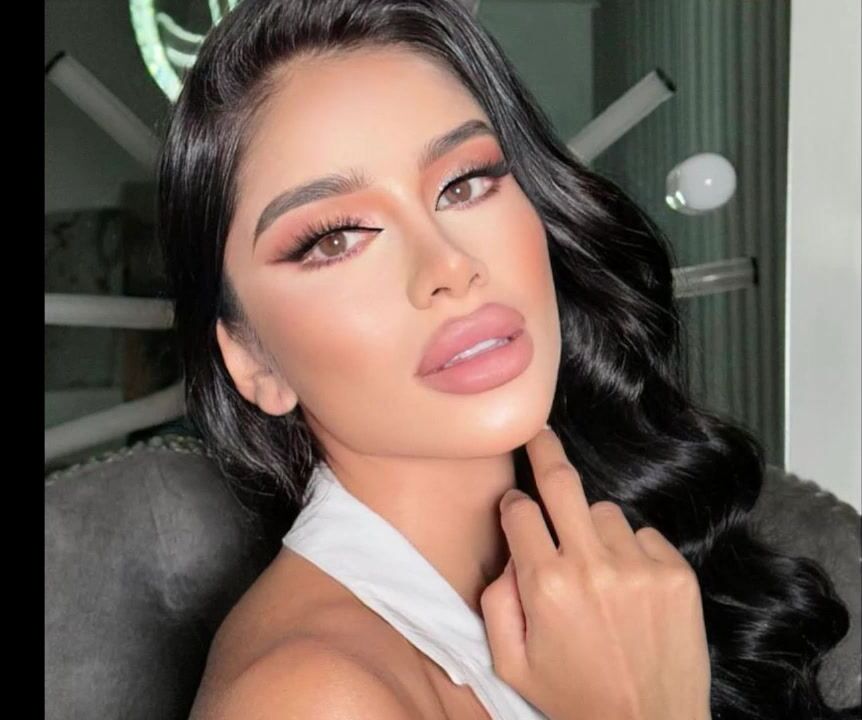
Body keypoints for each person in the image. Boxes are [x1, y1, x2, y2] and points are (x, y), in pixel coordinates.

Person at [155, 1, 857, 718]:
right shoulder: (308, 698)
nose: (449, 266)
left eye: (464, 183)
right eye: (336, 238)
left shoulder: (633, 554)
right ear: (254, 361)